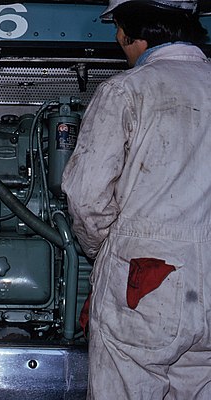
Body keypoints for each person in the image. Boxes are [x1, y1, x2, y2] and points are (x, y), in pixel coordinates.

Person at [62, 0, 210, 398]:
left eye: (118, 30)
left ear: (134, 33)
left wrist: (103, 251)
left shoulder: (126, 90)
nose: (116, 39)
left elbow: (87, 196)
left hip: (146, 277)